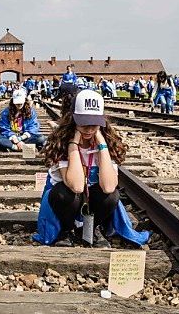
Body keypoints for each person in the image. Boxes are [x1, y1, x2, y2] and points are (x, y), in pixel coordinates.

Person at [33, 89, 150, 247]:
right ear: (73, 119)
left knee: (111, 196)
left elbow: (109, 187)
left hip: (93, 200)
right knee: (64, 194)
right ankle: (66, 230)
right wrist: (73, 145)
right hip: (66, 201)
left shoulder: (106, 142)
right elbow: (76, 186)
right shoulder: (62, 143)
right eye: (84, 123)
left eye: (94, 124)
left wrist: (102, 146)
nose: (88, 129)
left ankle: (92, 228)